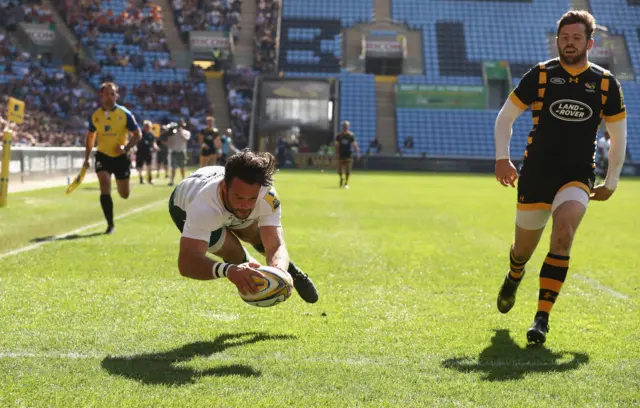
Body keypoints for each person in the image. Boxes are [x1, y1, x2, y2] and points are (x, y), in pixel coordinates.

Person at [493, 10, 627, 345]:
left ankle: (542, 318)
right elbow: (505, 117)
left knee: (564, 234)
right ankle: (514, 274)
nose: (569, 43)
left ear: (589, 42)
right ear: (557, 41)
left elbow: (618, 136)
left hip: (577, 176)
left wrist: (611, 179)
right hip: (536, 174)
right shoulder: (539, 75)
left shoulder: (606, 83)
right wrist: (501, 159)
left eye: (576, 38)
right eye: (564, 38)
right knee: (523, 250)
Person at [168, 149, 318, 303]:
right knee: (234, 253)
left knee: (255, 235)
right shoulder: (203, 207)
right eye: (239, 197)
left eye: (251, 198)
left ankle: (292, 271)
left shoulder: (267, 195)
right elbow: (187, 263)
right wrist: (229, 270)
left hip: (216, 188)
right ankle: (248, 267)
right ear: (225, 188)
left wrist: (279, 270)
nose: (245, 205)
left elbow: (275, 245)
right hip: (184, 206)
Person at [83, 82, 141, 234]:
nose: (109, 97)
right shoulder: (96, 116)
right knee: (104, 182)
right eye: (106, 94)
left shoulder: (125, 114)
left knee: (124, 194)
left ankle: (126, 184)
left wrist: (126, 148)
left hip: (121, 157)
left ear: (117, 96)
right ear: (101, 96)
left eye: (112, 94)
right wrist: (87, 158)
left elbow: (137, 135)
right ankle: (110, 225)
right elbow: (90, 137)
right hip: (103, 155)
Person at [335, 120, 360, 189]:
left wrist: (357, 153)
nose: (345, 127)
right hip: (341, 154)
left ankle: (346, 182)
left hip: (348, 154)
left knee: (348, 170)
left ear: (348, 127)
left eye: (346, 126)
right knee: (339, 170)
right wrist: (337, 153)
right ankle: (341, 178)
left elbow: (354, 144)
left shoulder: (351, 135)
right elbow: (337, 145)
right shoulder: (339, 136)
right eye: (343, 126)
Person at [168, 119, 191, 186]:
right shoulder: (173, 132)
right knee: (173, 167)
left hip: (182, 152)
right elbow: (170, 142)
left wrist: (180, 133)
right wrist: (170, 134)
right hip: (174, 151)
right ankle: (172, 181)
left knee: (182, 167)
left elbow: (186, 140)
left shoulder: (186, 132)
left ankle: (183, 180)